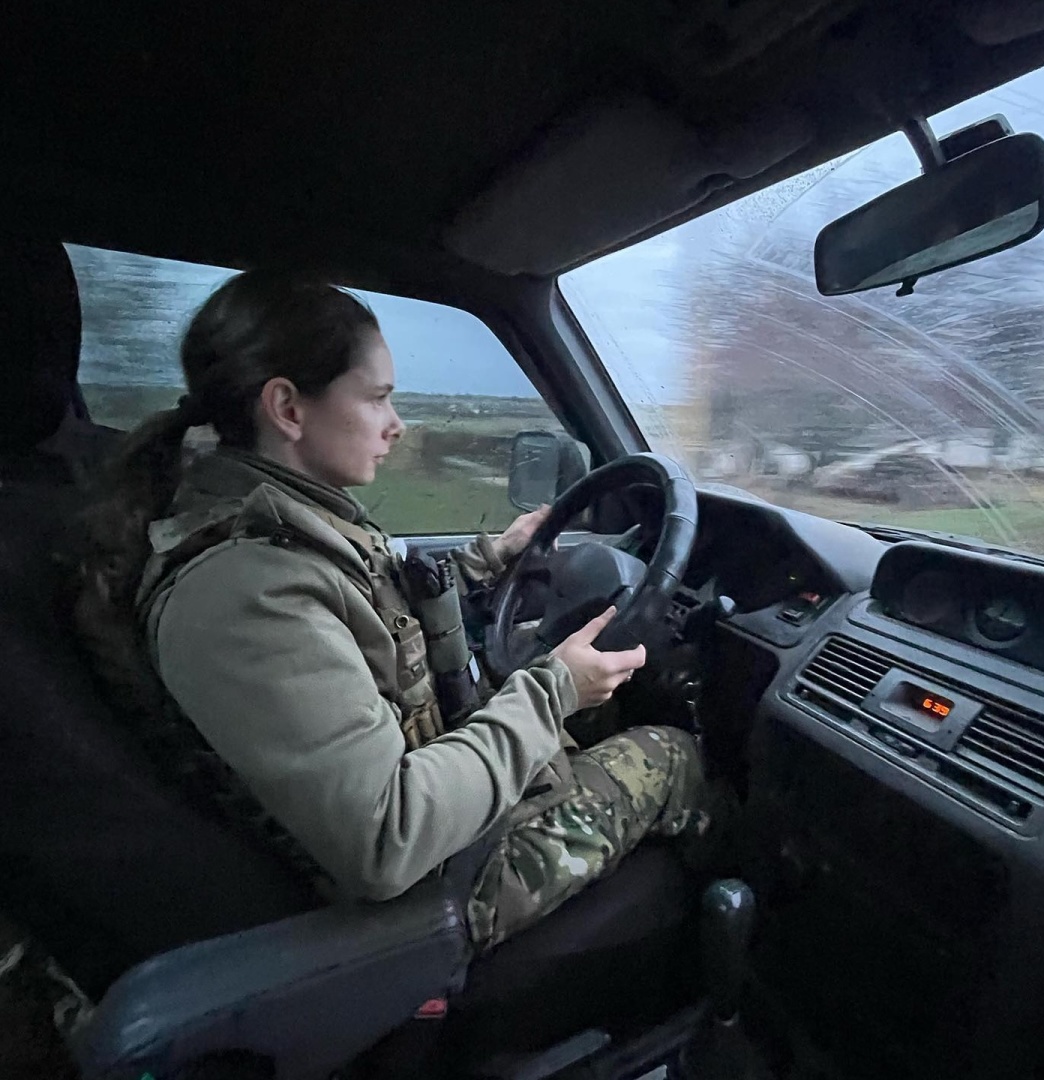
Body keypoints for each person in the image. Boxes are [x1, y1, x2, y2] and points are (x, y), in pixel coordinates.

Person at [77, 271, 712, 951]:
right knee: (673, 755)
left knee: (602, 711)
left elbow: (374, 617)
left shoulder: (284, 528)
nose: (397, 425)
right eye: (378, 398)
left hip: (435, 805)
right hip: (433, 891)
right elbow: (388, 837)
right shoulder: (243, 592)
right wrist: (555, 690)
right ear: (287, 408)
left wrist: (491, 559)